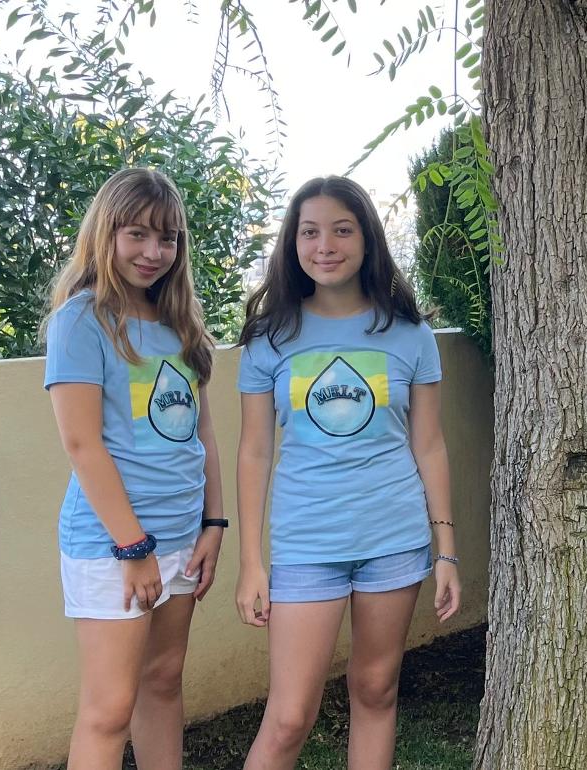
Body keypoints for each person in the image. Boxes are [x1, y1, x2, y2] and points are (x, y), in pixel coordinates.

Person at [234, 176, 460, 769]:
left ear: (366, 240)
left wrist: (447, 550)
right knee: (287, 719)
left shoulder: (409, 333)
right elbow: (254, 453)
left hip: (394, 539)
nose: (325, 245)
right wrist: (252, 563)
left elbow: (430, 444)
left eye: (342, 229)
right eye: (310, 231)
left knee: (376, 691)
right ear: (293, 243)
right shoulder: (268, 338)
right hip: (306, 546)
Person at [44, 167, 226, 768]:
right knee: (109, 710)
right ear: (106, 234)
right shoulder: (82, 320)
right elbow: (82, 445)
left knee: (164, 684)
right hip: (114, 546)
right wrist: (134, 546)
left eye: (168, 238)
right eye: (138, 234)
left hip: (181, 539)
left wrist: (214, 527)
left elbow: (202, 434)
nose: (154, 252)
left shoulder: (178, 324)